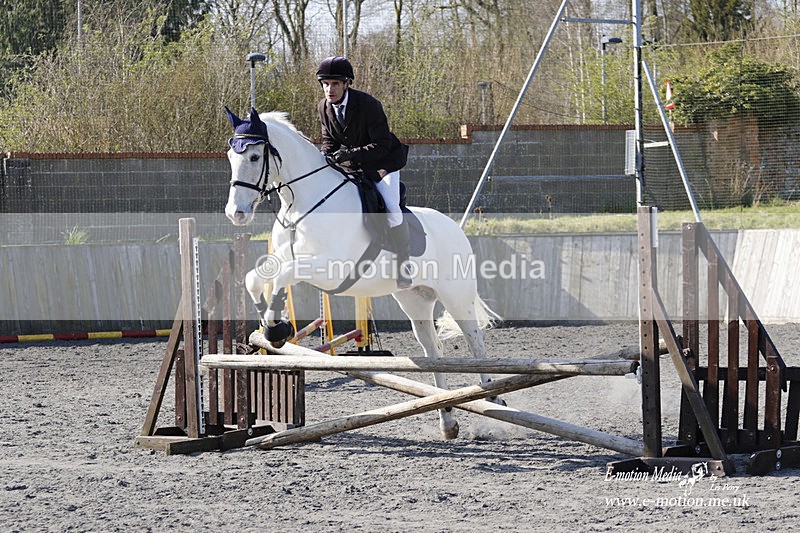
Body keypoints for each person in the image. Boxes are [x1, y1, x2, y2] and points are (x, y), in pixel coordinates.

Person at [315, 55, 412, 289]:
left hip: (383, 164)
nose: (329, 89)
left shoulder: (369, 105)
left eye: (335, 84)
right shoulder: (323, 107)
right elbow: (328, 141)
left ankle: (404, 266)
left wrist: (349, 154)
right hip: (354, 165)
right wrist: (324, 156)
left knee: (392, 208)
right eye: (326, 84)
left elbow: (382, 145)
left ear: (347, 83)